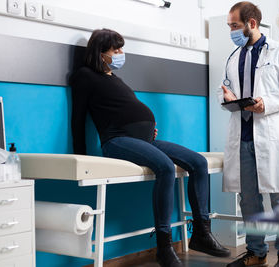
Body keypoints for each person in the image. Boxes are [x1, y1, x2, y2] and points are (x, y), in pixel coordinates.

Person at [69, 28, 230, 267]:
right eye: (116, 49)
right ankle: (164, 248)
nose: (121, 53)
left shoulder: (114, 77)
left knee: (199, 162)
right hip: (116, 141)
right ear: (100, 52)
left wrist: (145, 128)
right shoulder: (84, 76)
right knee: (165, 166)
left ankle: (201, 234)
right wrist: (81, 157)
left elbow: (123, 108)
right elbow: (78, 117)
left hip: (144, 140)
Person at [218, 2, 279, 267]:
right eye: (230, 26)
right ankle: (255, 252)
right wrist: (228, 96)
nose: (232, 31)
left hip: (272, 135)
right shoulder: (234, 57)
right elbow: (228, 87)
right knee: (248, 199)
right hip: (243, 136)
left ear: (252, 24)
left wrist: (266, 103)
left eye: (235, 25)